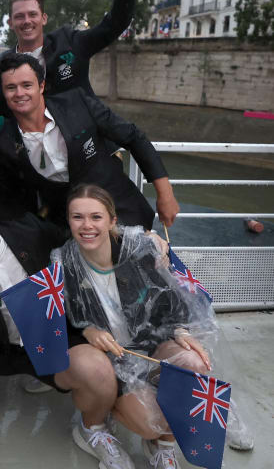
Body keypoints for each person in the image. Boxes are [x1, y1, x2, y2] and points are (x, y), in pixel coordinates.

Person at [0, 179, 136, 469]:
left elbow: (86, 237)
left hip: (51, 340)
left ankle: (92, 428)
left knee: (100, 373)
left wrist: (141, 241)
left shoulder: (32, 232)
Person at [53, 184, 253, 469]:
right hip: (111, 361)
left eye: (96, 217)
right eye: (77, 217)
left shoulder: (140, 249)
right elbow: (57, 322)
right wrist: (87, 330)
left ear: (112, 220)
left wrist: (183, 333)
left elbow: (174, 302)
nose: (87, 226)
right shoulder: (63, 263)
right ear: (68, 220)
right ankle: (124, 422)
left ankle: (165, 445)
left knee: (192, 362)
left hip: (150, 346)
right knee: (150, 422)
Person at [0, 53, 179, 229]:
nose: (19, 93)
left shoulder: (78, 103)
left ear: (41, 86)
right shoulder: (4, 140)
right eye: (11, 87)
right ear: (3, 92)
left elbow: (133, 136)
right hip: (68, 227)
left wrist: (165, 194)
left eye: (27, 85)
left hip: (120, 210)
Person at [0, 0, 140, 113]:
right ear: (10, 23)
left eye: (32, 14)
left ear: (44, 18)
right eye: (19, 16)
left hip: (78, 136)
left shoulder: (69, 43)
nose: (27, 21)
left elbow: (113, 25)